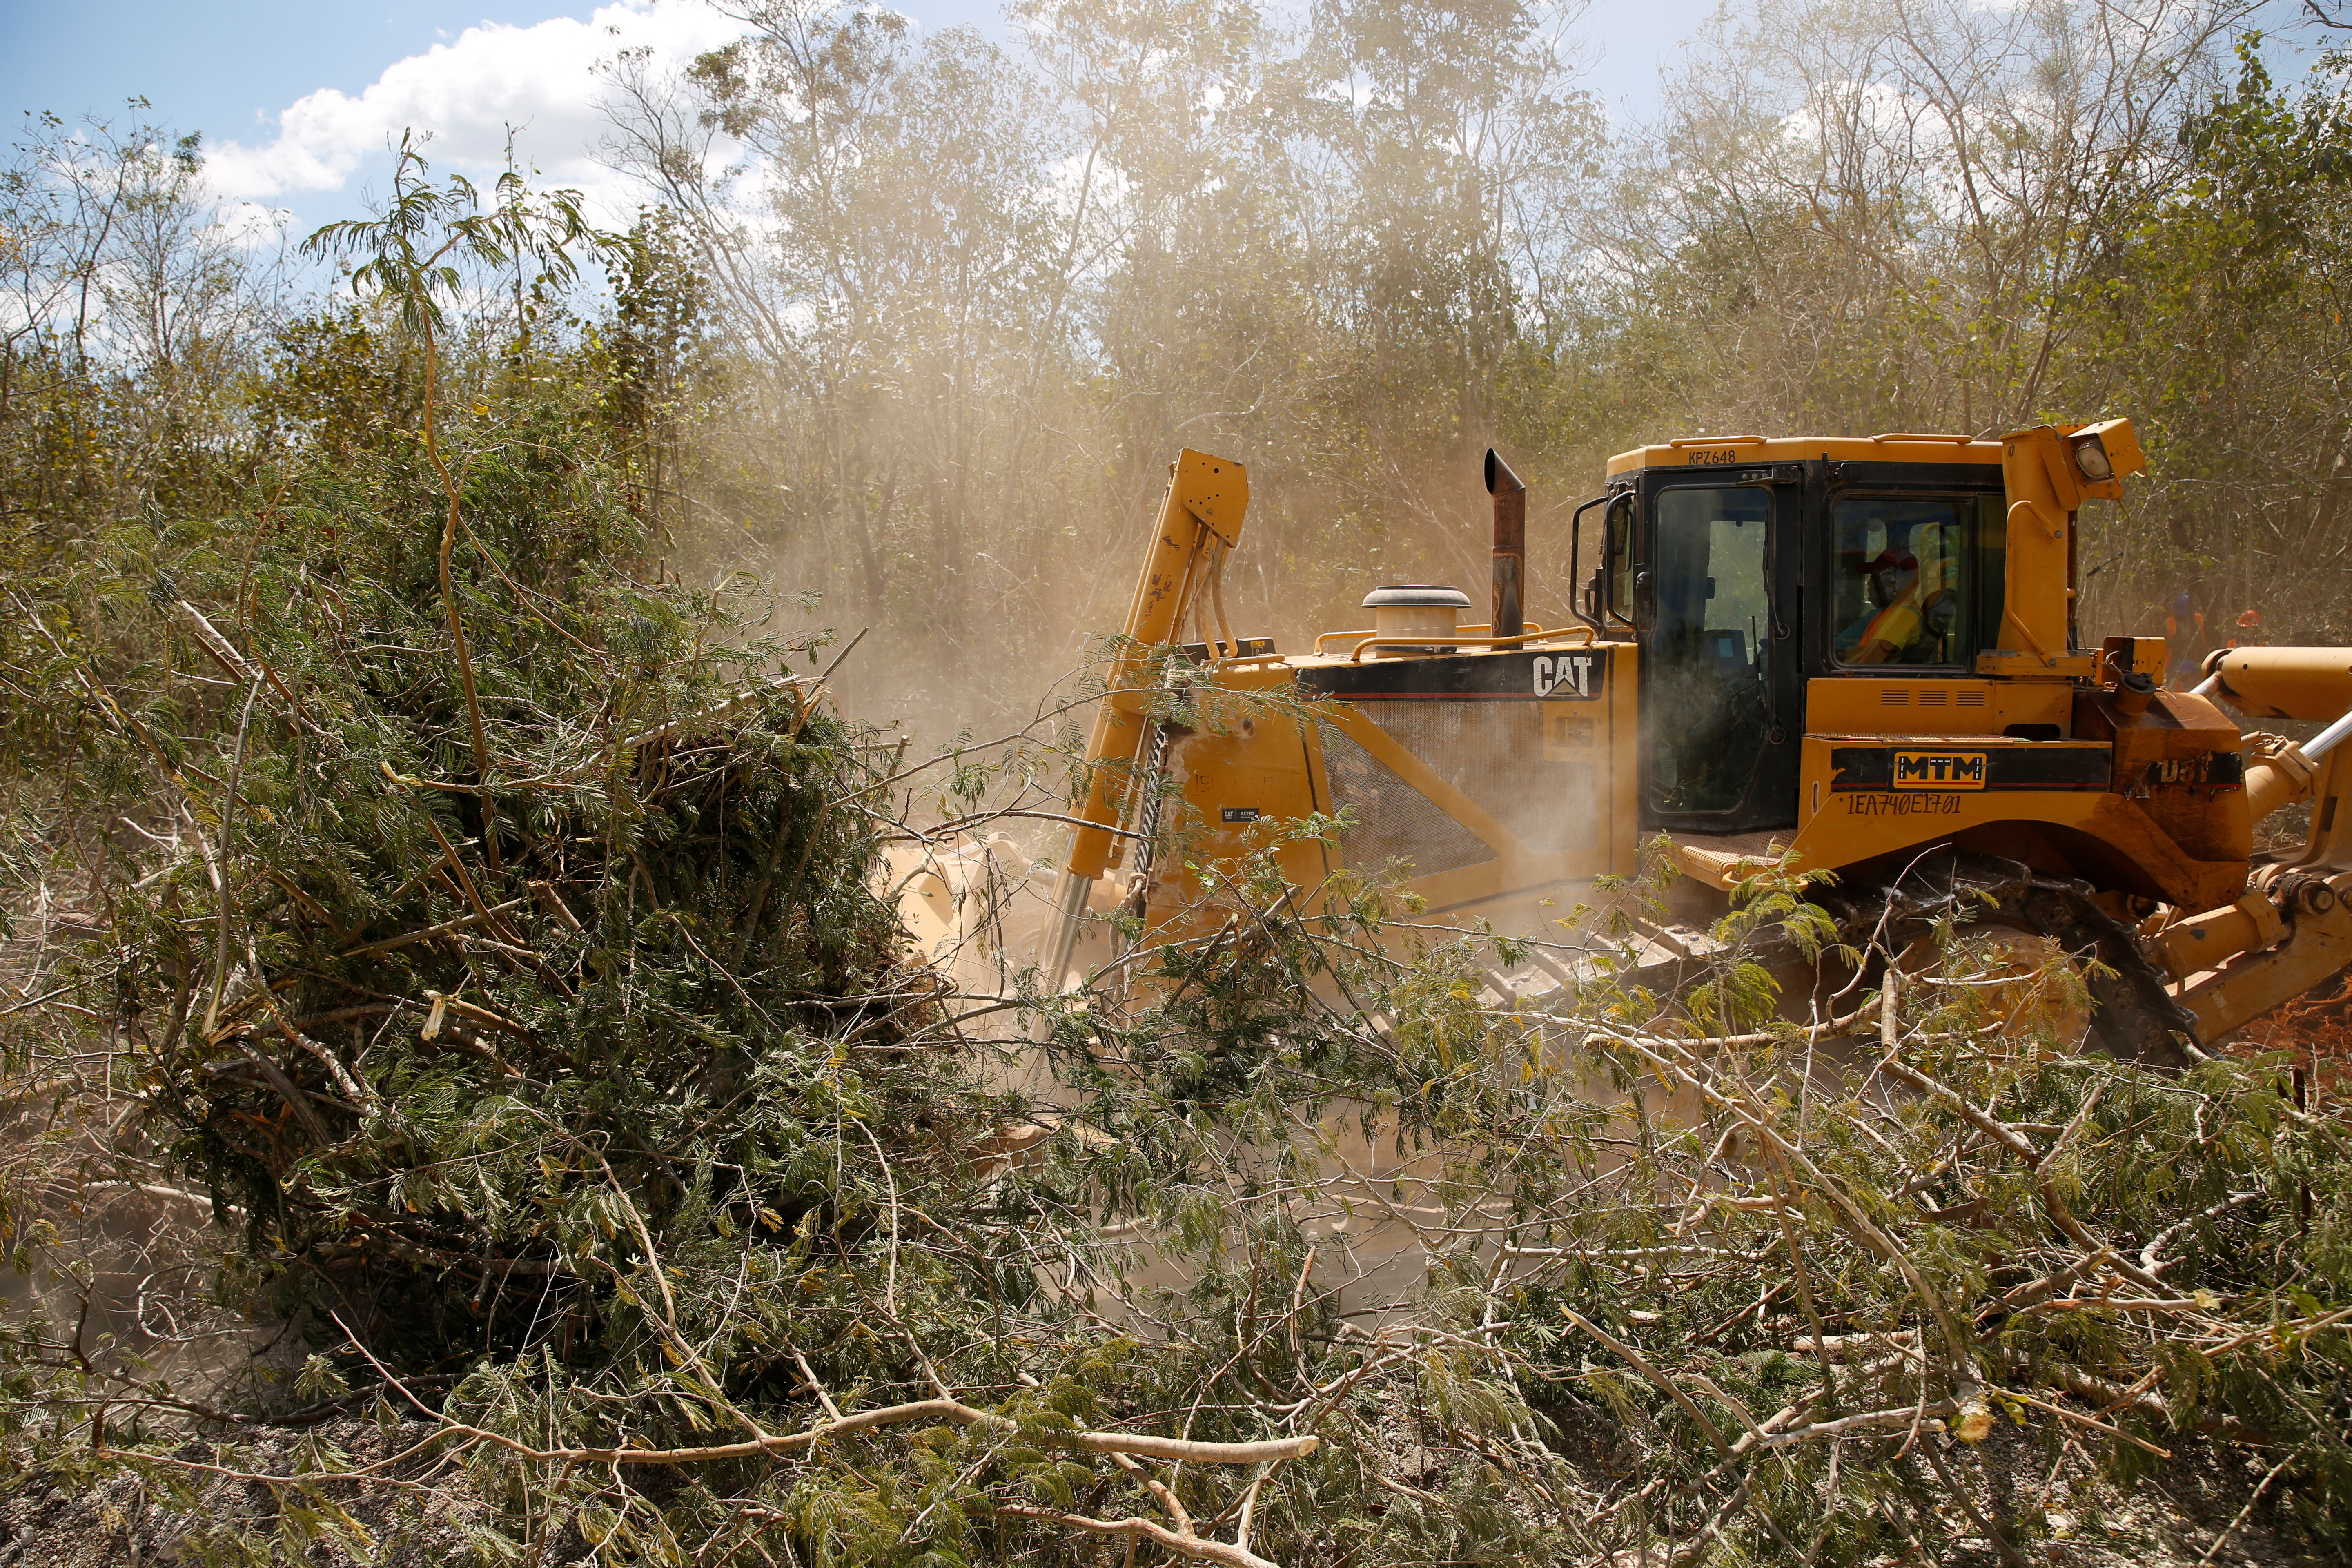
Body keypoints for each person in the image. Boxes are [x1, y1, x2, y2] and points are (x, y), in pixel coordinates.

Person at [1837, 547, 1923, 664]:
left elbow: (1870, 658)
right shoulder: (1887, 612)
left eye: (1878, 577)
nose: (1870, 583)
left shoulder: (1904, 615)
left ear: (1904, 581)